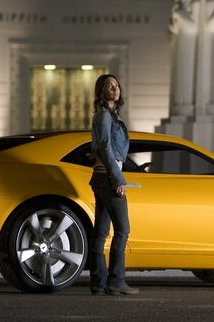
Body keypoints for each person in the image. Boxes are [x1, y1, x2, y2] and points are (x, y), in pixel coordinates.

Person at [88, 74, 139, 296]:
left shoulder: (111, 116)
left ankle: (98, 283)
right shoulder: (104, 117)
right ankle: (116, 281)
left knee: (100, 232)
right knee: (123, 229)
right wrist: (118, 179)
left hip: (102, 177)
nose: (115, 89)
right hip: (108, 177)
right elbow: (106, 150)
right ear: (102, 92)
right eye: (109, 86)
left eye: (117, 85)